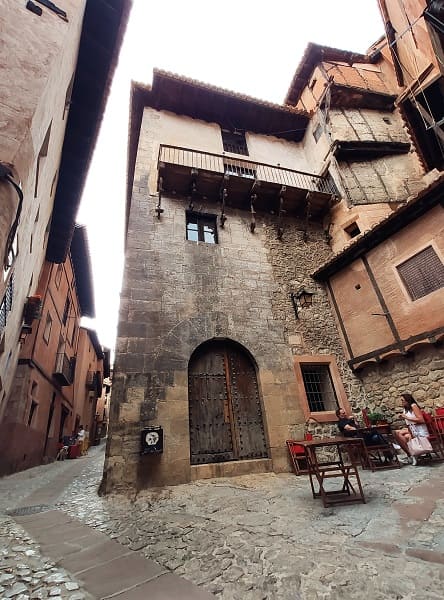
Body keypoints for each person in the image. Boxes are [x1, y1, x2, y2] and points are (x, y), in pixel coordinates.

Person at [393, 393, 429, 466]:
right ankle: (411, 454)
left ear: (407, 400)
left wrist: (406, 417)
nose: (402, 402)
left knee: (404, 436)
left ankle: (411, 455)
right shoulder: (406, 410)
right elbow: (408, 424)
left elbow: (421, 420)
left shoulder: (413, 406)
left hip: (419, 429)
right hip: (413, 429)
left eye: (403, 400)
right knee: (395, 432)